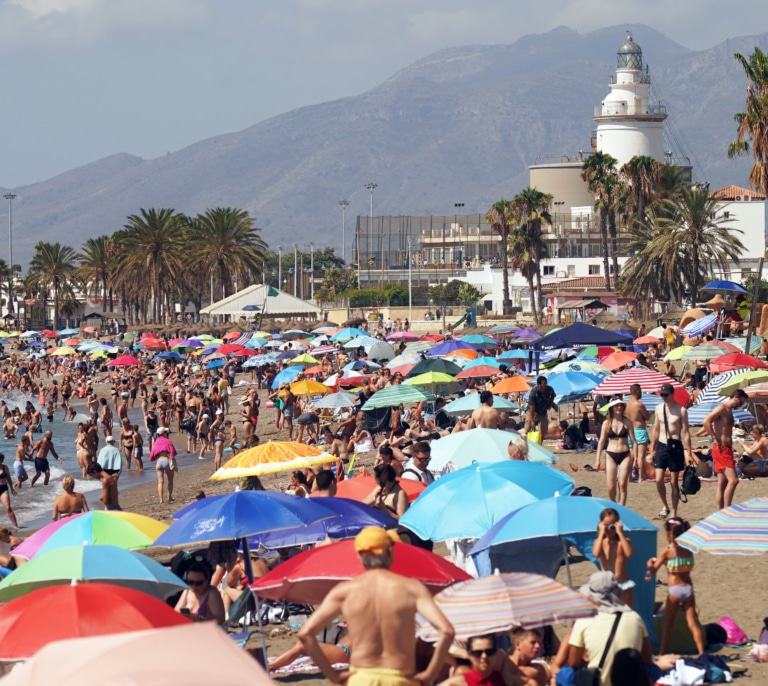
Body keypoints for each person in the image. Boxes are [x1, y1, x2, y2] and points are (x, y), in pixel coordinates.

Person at [297, 526, 454, 686]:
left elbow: (305, 634)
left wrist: (332, 675)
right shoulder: (411, 588)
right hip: (400, 677)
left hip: (361, 677)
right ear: (391, 552)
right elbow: (446, 631)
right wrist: (430, 674)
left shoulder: (345, 591)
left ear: (359, 556)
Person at [568, 571, 652, 686]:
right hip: (630, 682)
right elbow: (647, 659)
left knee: (565, 673)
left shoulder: (584, 620)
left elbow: (573, 662)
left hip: (597, 681)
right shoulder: (635, 617)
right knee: (654, 669)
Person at [646, 517, 705, 655]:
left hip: (674, 590)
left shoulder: (668, 551)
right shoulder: (689, 549)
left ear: (669, 534)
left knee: (668, 625)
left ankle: (662, 652)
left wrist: (649, 565)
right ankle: (702, 653)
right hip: (688, 588)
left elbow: (651, 573)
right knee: (693, 623)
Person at [649, 383, 693, 519]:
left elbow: (686, 432)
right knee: (658, 479)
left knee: (674, 482)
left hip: (675, 446)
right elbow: (656, 429)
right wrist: (652, 448)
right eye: (662, 395)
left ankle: (674, 511)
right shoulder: (658, 409)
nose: (664, 397)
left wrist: (689, 452)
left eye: (666, 395)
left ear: (672, 394)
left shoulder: (681, 410)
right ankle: (665, 506)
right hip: (662, 446)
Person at [702, 389, 749, 510]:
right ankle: (727, 510)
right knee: (734, 480)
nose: (741, 405)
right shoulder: (722, 408)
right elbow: (706, 421)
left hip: (725, 449)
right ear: (736, 397)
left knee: (722, 483)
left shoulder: (728, 411)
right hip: (721, 449)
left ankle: (720, 511)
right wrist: (714, 437)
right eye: (741, 402)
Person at [596, 399, 635, 505]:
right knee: (611, 486)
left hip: (625, 454)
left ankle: (622, 508)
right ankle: (613, 504)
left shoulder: (627, 422)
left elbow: (634, 441)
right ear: (612, 408)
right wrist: (597, 459)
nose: (619, 408)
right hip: (611, 454)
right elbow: (601, 441)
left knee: (622, 484)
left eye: (621, 406)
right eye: (616, 406)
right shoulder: (607, 423)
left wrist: (634, 458)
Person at [592, 508, 634, 607]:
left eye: (612, 526)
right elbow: (596, 554)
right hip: (606, 585)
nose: (609, 529)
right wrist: (601, 532)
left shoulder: (623, 542)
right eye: (606, 526)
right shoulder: (600, 543)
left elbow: (629, 554)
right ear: (601, 525)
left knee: (625, 615)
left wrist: (620, 533)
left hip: (623, 584)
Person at [438, 635, 506, 686]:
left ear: (495, 653)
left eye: (489, 651)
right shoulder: (456, 683)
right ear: (469, 655)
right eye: (477, 653)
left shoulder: (506, 679)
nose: (484, 656)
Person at [625, 384, 652, 482]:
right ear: (637, 391)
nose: (641, 393)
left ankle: (629, 477)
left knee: (631, 455)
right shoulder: (639, 404)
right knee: (641, 456)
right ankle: (640, 477)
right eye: (640, 391)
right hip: (639, 430)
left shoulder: (627, 404)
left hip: (630, 430)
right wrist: (649, 414)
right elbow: (647, 417)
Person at [150, 426, 177, 503]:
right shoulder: (168, 441)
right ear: (163, 433)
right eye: (166, 432)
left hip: (159, 462)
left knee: (160, 481)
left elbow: (152, 454)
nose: (167, 433)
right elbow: (173, 453)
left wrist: (154, 458)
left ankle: (161, 500)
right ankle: (169, 497)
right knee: (170, 480)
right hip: (166, 461)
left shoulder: (156, 442)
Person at [0, 454, 19, 529]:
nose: (0, 460)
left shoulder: (5, 467)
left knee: (8, 508)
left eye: (1, 459)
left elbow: (8, 478)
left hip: (4, 488)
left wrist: (12, 489)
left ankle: (16, 526)